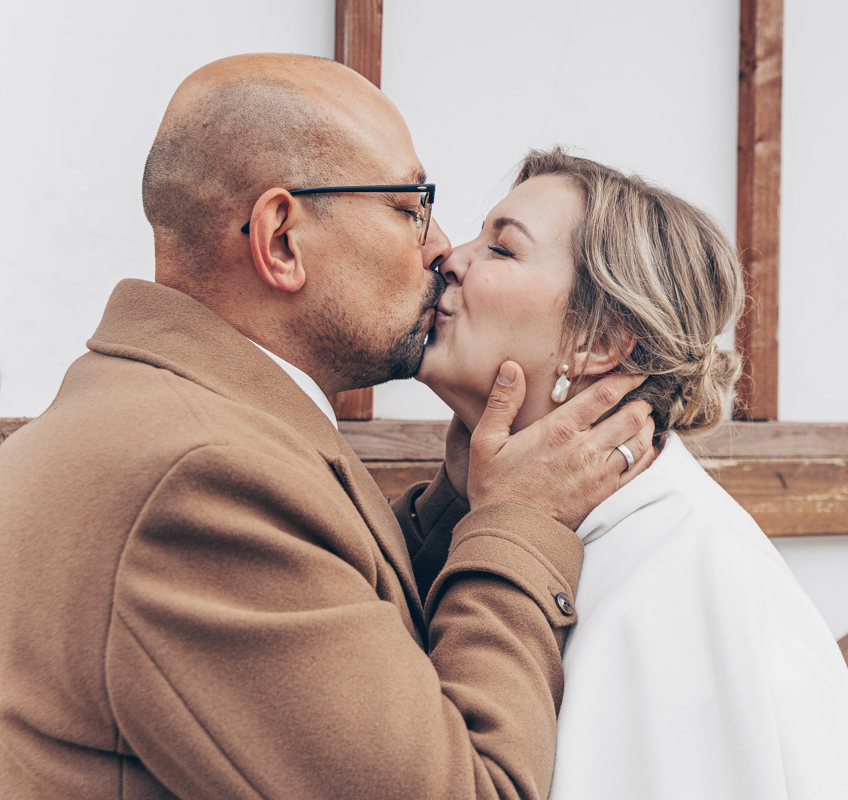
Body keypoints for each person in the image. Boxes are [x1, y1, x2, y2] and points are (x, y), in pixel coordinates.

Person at [0, 56, 656, 799]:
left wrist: (459, 508)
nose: (442, 247)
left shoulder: (169, 412)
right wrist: (518, 525)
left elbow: (328, 607)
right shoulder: (200, 479)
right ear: (282, 238)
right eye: (410, 206)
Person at [417, 148, 848, 800]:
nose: (451, 258)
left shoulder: (680, 581)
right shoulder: (514, 518)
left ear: (602, 340)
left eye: (501, 249)